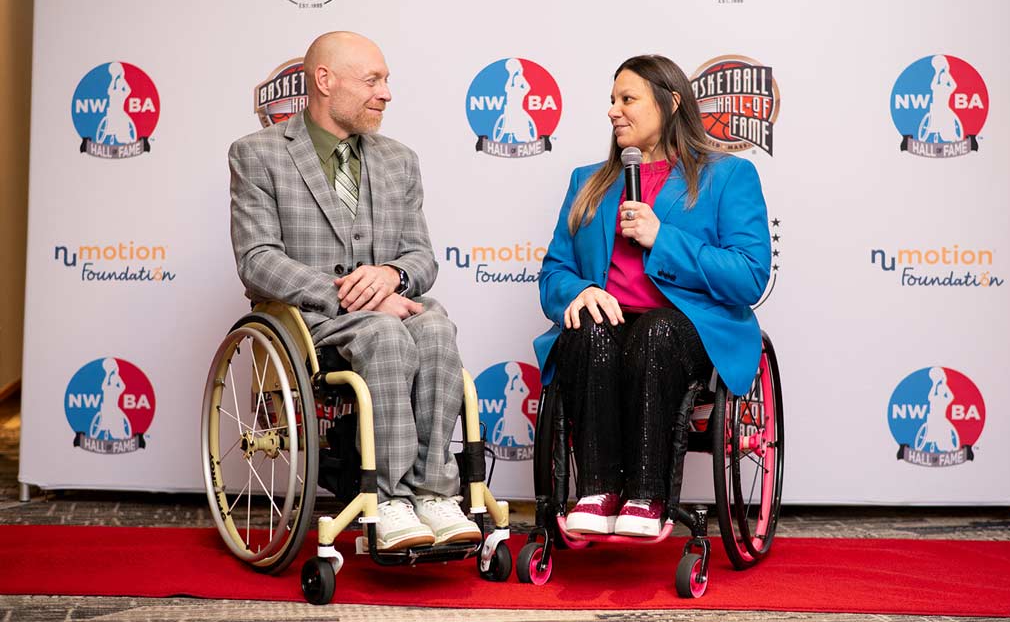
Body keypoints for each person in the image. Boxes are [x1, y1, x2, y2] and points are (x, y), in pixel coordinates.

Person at [228, 31, 480, 552]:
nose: (386, 93)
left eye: (385, 81)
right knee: (385, 333)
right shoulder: (258, 154)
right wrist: (350, 295)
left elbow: (421, 257)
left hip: (390, 309)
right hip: (311, 322)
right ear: (325, 81)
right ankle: (386, 499)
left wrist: (391, 276)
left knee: (434, 326)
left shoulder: (399, 160)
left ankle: (434, 493)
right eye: (372, 81)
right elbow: (257, 261)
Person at [533, 54, 771, 537]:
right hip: (609, 330)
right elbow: (555, 272)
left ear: (671, 102)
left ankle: (646, 496)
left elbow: (749, 275)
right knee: (588, 328)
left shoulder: (728, 175)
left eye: (628, 99)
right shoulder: (588, 182)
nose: (613, 111)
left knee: (655, 331)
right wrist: (579, 291)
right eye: (612, 100)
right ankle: (597, 492)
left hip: (685, 330)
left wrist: (662, 238)